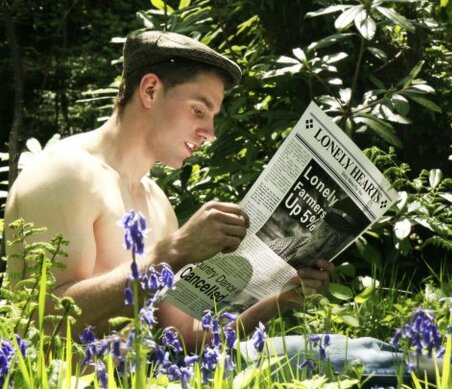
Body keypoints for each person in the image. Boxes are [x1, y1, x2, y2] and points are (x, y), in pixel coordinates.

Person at [3, 31, 332, 350]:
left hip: (155, 387)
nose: (209, 132)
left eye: (212, 116)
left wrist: (279, 301)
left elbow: (184, 340)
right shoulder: (64, 174)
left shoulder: (158, 203)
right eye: (198, 110)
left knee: (368, 353)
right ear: (149, 91)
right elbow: (43, 322)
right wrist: (172, 252)